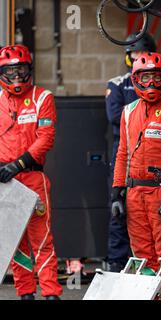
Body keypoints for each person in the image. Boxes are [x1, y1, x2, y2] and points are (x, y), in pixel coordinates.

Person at [112, 52, 161, 300]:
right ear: (135, 79)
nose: (151, 84)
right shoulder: (127, 112)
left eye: (157, 78)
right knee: (141, 257)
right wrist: (117, 191)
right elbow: (122, 154)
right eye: (145, 78)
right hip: (135, 194)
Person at [0, 45, 62, 300]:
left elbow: (46, 138)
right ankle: (25, 292)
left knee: (42, 237)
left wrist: (19, 164)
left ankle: (50, 293)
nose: (16, 76)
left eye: (21, 69)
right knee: (15, 240)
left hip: (32, 177)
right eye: (10, 71)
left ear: (29, 70)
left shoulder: (42, 97)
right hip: (5, 181)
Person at [105, 32, 157, 272]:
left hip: (155, 153)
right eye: (134, 53)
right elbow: (115, 117)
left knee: (156, 214)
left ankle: (154, 265)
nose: (137, 57)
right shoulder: (117, 83)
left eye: (142, 52)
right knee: (119, 207)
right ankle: (116, 262)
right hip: (123, 151)